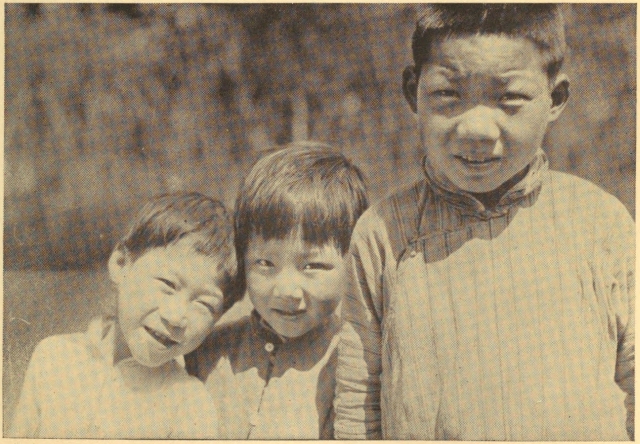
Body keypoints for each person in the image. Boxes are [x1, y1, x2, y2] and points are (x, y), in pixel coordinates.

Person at [334, 4, 634, 441]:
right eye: (449, 96)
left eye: (509, 98)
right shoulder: (382, 232)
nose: (476, 128)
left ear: (556, 98)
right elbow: (358, 406)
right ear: (412, 91)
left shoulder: (600, 223)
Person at [9, 192, 238, 438]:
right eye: (168, 285)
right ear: (120, 265)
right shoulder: (54, 356)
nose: (176, 317)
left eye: (204, 304)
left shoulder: (190, 404)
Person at [185, 142, 368, 439]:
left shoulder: (353, 363)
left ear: (353, 262)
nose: (286, 290)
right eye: (265, 263)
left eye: (312, 266)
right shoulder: (207, 351)